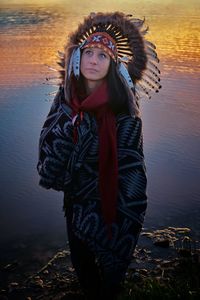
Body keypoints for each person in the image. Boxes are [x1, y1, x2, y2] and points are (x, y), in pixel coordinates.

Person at [37, 12, 161, 299]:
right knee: (84, 269)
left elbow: (134, 170)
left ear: (112, 65)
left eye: (102, 56)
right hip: (75, 202)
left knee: (110, 280)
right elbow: (48, 164)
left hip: (113, 206)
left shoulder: (124, 110)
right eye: (88, 53)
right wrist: (70, 132)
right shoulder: (66, 98)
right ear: (79, 58)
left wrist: (126, 210)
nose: (93, 60)